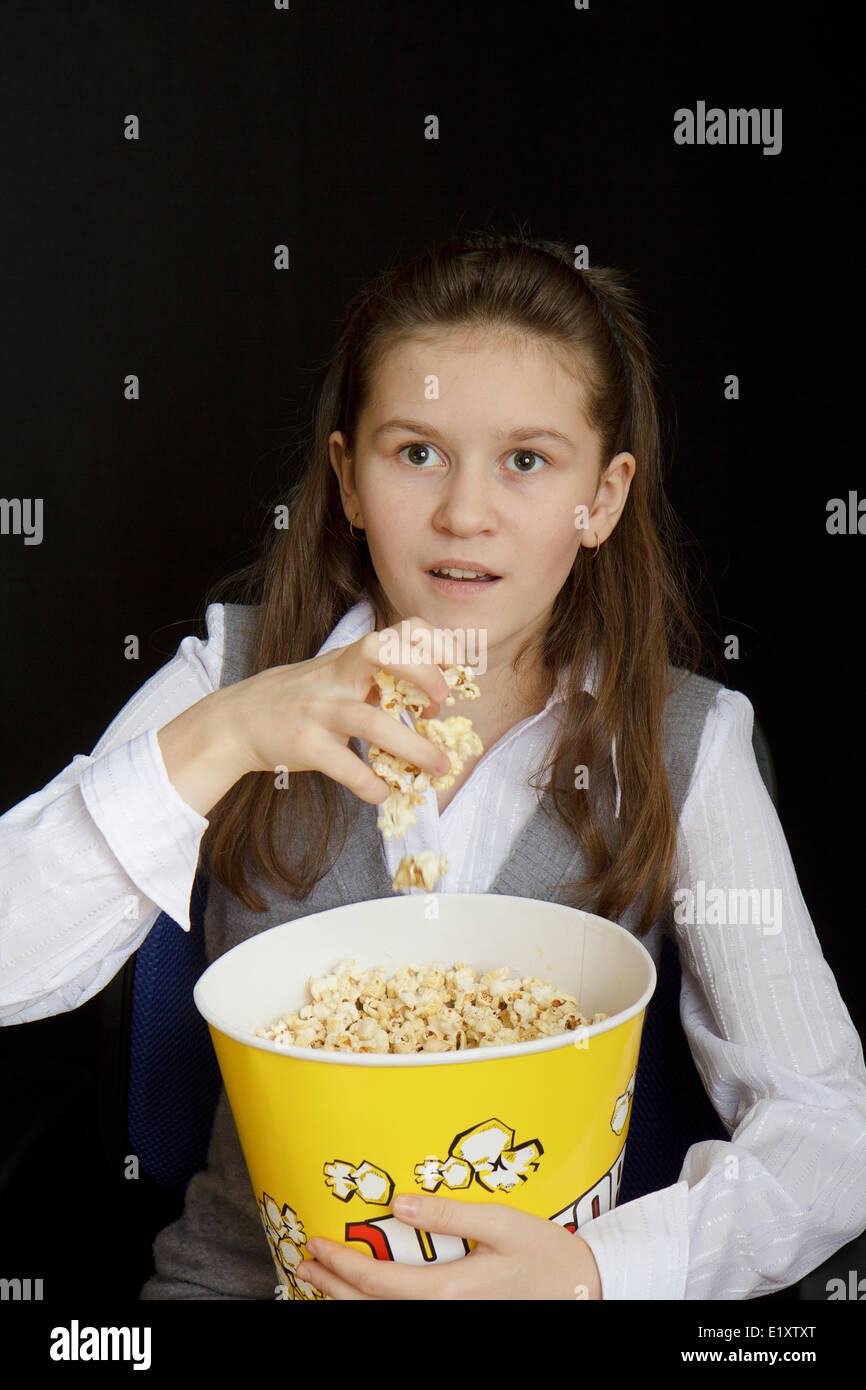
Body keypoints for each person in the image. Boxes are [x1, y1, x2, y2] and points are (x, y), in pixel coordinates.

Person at [2, 231, 865, 1301]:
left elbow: (829, 1131)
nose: (464, 513)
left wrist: (599, 1272)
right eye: (415, 452)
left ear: (599, 497)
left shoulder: (685, 738)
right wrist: (221, 735)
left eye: (526, 460)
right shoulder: (226, 675)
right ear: (347, 481)